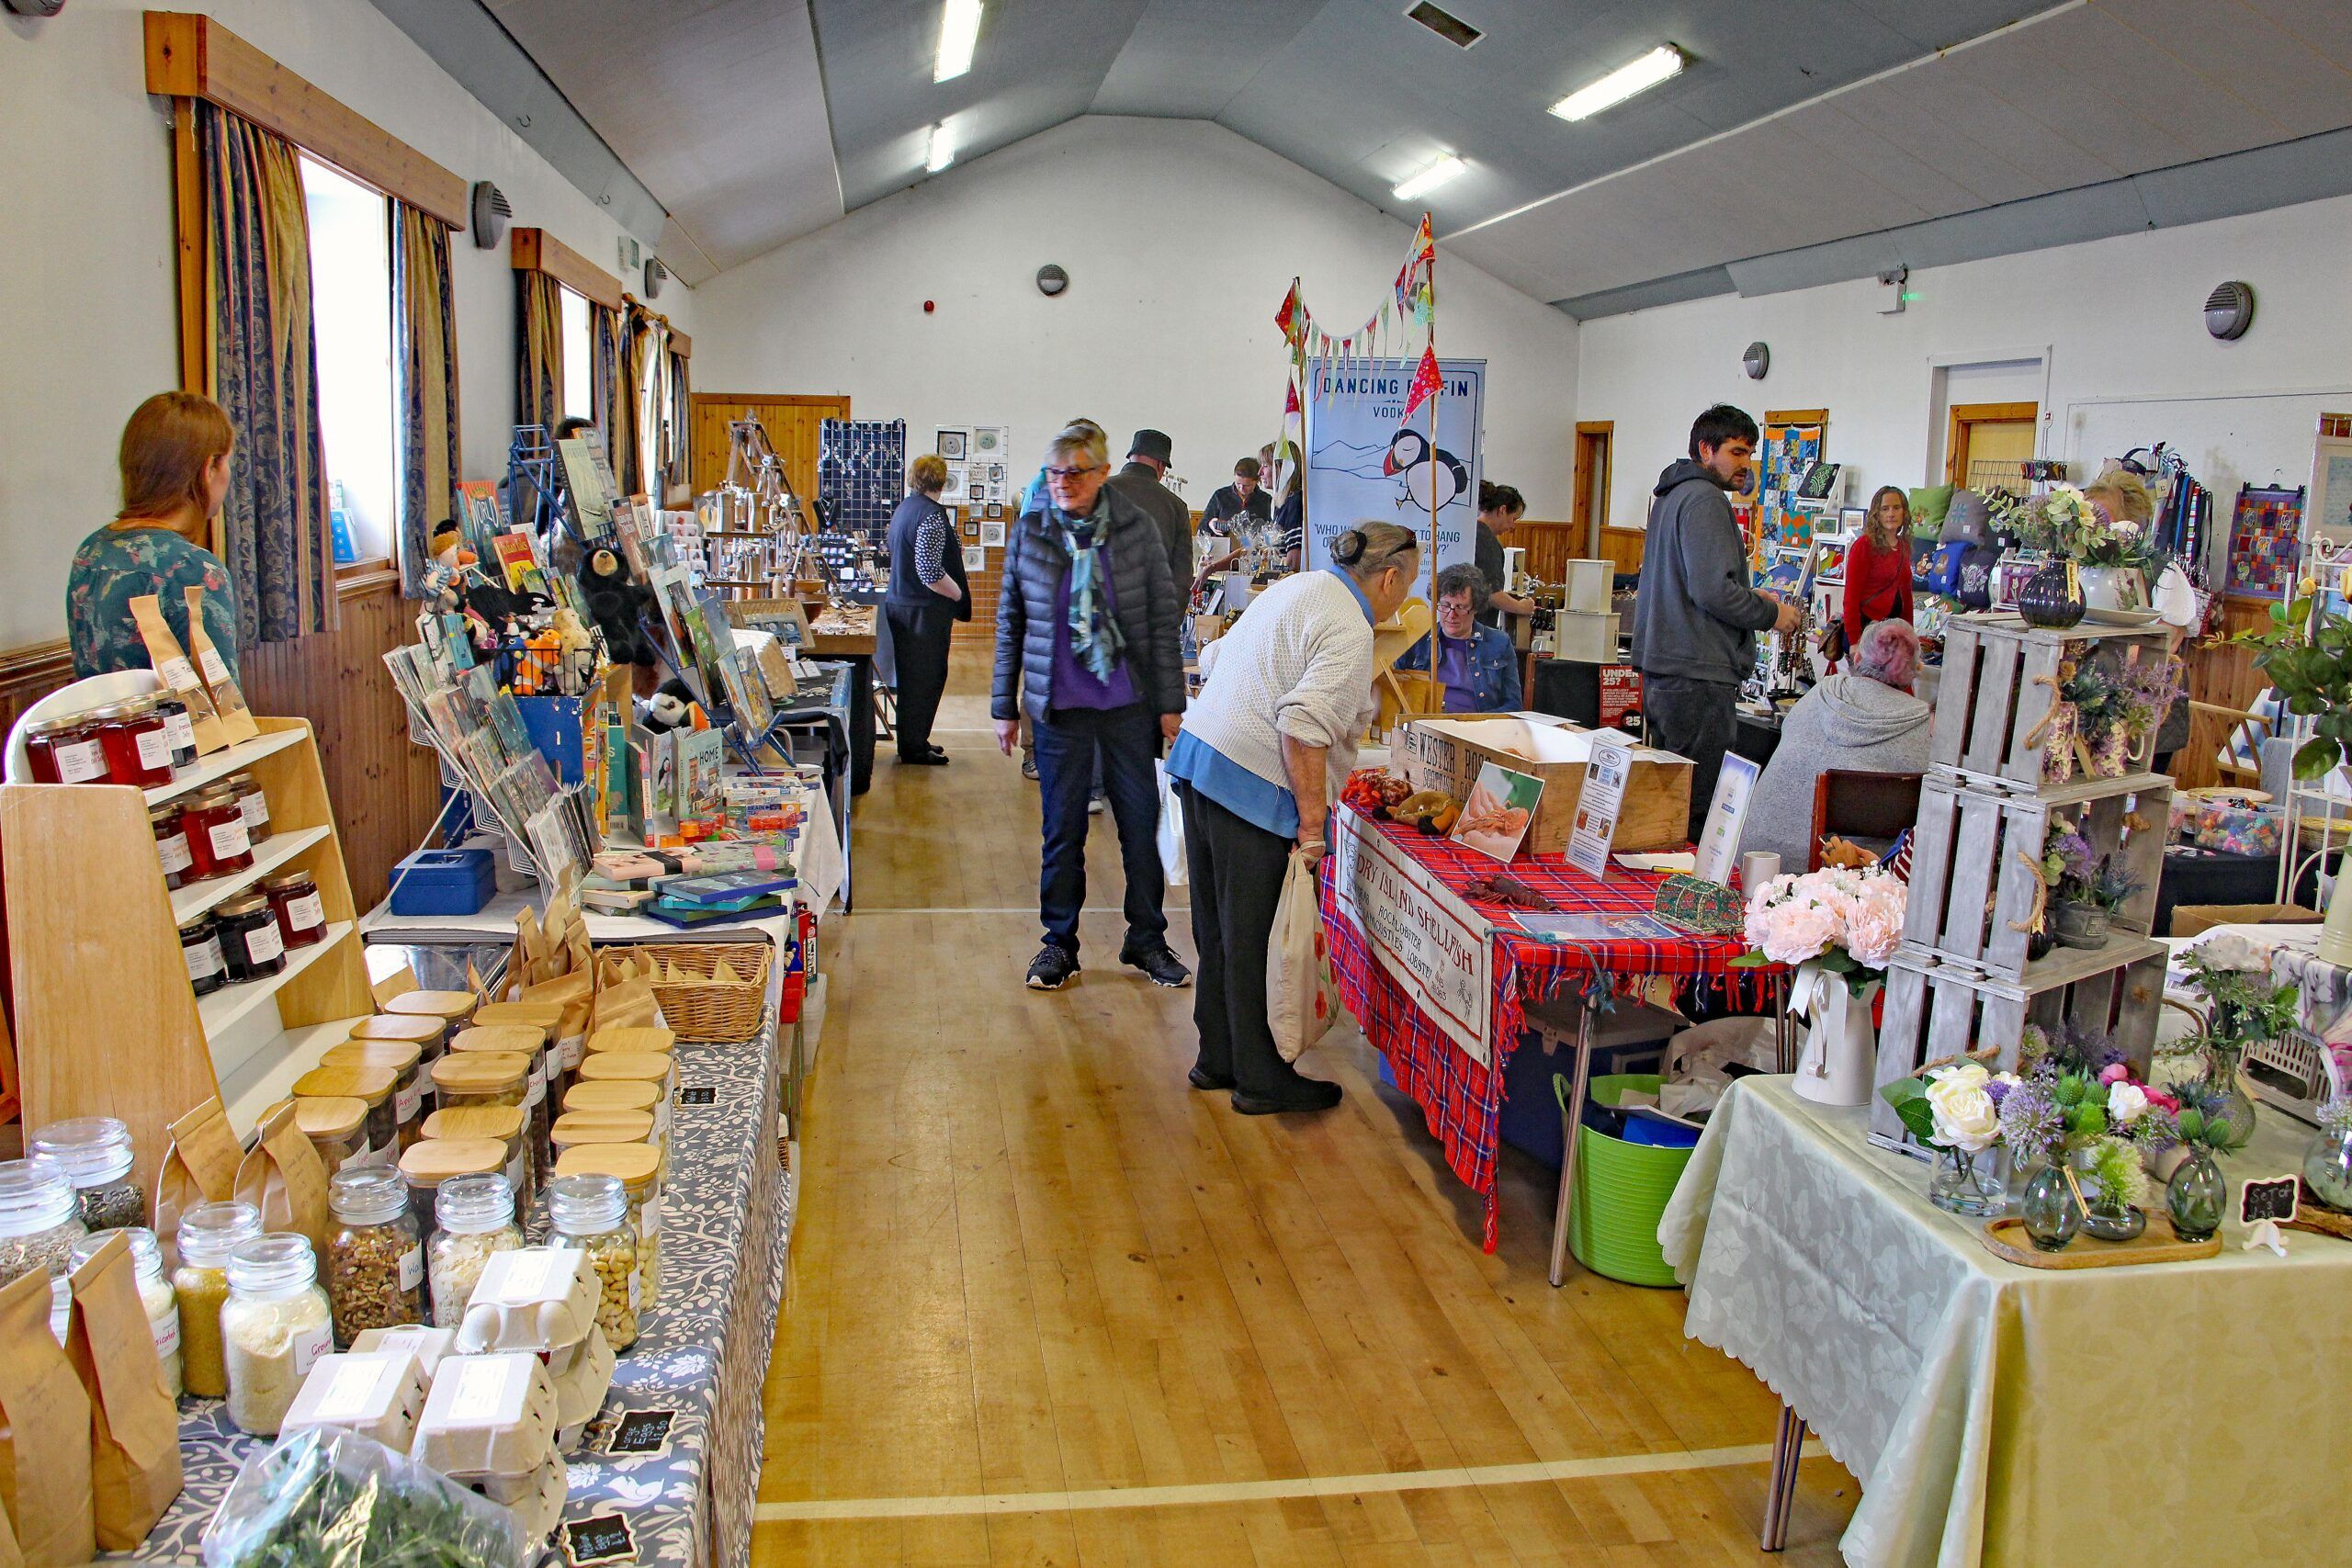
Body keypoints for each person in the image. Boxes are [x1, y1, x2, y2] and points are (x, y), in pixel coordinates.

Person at [1167, 521, 1419, 1113]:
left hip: (1202, 760)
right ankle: (1259, 1079)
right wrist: (1312, 825)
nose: (1407, 596)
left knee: (1218, 932)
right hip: (1249, 781)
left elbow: (1219, 655)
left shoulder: (1297, 585)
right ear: (1388, 578)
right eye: (1408, 583)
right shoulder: (1350, 628)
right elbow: (1303, 727)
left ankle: (1217, 1058)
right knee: (1249, 939)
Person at [993, 424, 1190, 991]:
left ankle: (1146, 939)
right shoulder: (1031, 532)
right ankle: (1059, 943)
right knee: (1062, 832)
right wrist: (1003, 704)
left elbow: (1159, 621)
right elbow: (1011, 622)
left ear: (1104, 474)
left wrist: (1171, 703)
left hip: (1129, 705)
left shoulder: (1136, 532)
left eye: (1075, 473)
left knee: (1137, 824)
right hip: (1059, 709)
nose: (1063, 484)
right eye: (1054, 473)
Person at [1628, 403, 1802, 840]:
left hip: (1669, 670)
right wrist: (1771, 613)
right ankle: (1687, 906)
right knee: (1695, 815)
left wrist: (1747, 595)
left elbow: (1694, 584)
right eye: (1737, 452)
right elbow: (1711, 592)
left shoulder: (1673, 496)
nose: (1746, 464)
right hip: (1696, 675)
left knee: (1671, 808)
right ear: (1706, 450)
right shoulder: (1705, 498)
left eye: (1750, 454)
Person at [68, 390, 243, 681]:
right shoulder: (194, 570)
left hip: (103, 727)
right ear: (208, 467)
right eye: (226, 462)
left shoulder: (90, 553)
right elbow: (222, 707)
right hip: (174, 728)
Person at [1740, 619, 1930, 874]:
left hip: (1757, 863)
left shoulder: (1817, 694)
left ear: (1858, 657)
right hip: (1846, 877)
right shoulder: (1925, 725)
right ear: (1916, 670)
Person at [883, 454, 966, 765]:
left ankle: (915, 740)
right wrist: (958, 594)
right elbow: (930, 571)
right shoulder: (930, 515)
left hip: (901, 604)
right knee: (926, 677)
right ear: (942, 481)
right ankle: (914, 748)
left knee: (912, 678)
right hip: (922, 611)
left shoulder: (904, 509)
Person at [1393, 563, 1521, 712]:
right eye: (1445, 605)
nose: (1451, 615)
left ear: (1475, 607)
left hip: (1477, 730)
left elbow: (1514, 705)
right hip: (1428, 727)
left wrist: (1475, 724)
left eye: (1460, 607)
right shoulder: (1417, 641)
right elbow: (1397, 694)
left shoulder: (1499, 643)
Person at [1104, 428, 1193, 588]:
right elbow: (1182, 576)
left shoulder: (1099, 490)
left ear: (1131, 457)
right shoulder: (1176, 506)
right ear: (1161, 465)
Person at [1841, 485, 1917, 662]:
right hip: (1867, 631)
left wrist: (1910, 637)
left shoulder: (1903, 546)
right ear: (1877, 513)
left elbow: (1906, 596)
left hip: (1892, 633)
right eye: (1885, 508)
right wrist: (1854, 641)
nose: (1891, 513)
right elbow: (1851, 597)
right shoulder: (1864, 546)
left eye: (1896, 508)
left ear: (1904, 512)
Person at [1474, 481, 1533, 626]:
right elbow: (1491, 593)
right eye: (1513, 519)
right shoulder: (1486, 541)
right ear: (1502, 510)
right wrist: (1521, 607)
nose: (1512, 526)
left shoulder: (1472, 532)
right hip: (1478, 628)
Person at [1200, 457, 1272, 536]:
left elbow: (1272, 529)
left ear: (1257, 481)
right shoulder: (1220, 496)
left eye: (1247, 485)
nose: (1241, 488)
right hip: (1223, 545)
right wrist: (1210, 524)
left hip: (1255, 546)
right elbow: (1202, 528)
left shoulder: (1266, 500)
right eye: (1238, 483)